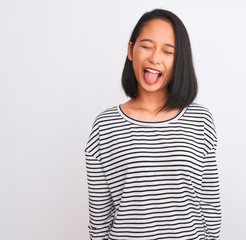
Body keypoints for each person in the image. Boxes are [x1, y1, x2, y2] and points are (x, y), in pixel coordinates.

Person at [85, 8, 221, 240]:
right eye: (147, 46)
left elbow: (209, 207)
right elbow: (99, 217)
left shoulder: (200, 120)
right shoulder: (105, 126)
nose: (155, 58)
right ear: (131, 50)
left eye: (168, 51)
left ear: (179, 61)